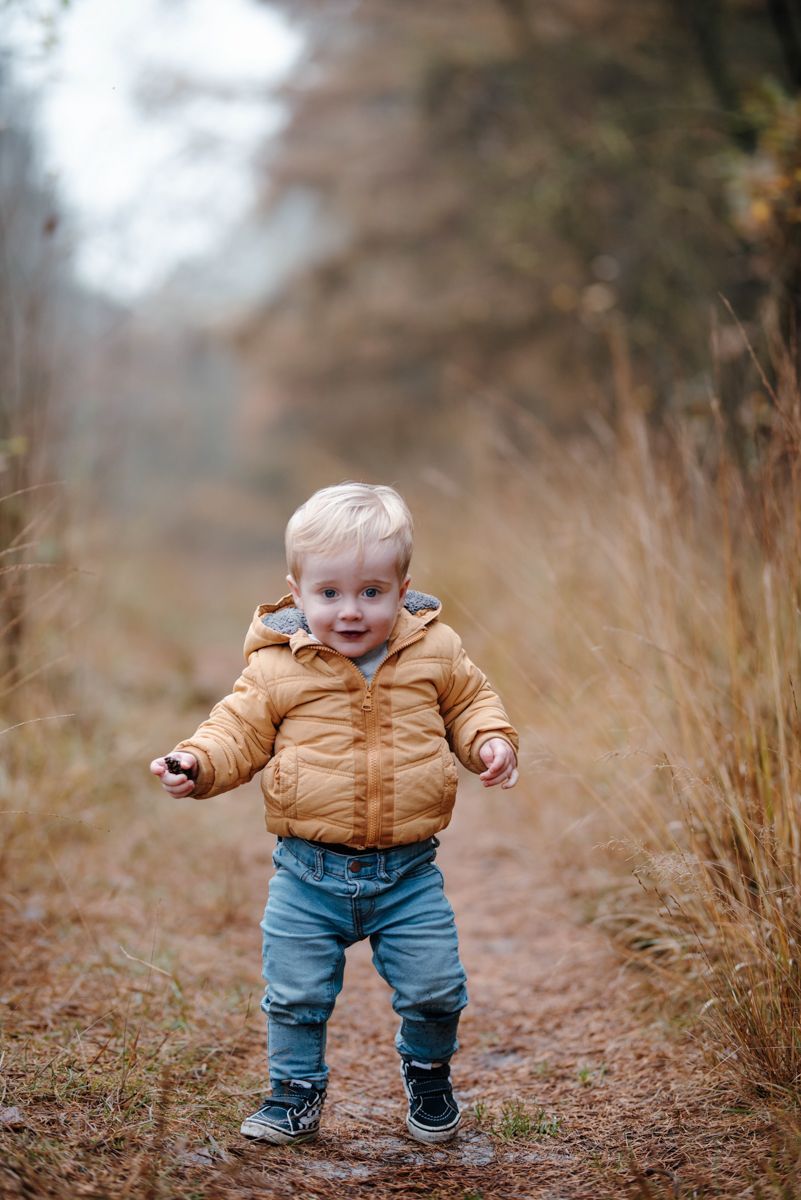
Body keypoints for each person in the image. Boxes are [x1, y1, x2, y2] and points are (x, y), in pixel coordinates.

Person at [150, 482, 519, 1147]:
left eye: (371, 592)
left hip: (408, 875)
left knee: (436, 988)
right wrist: (195, 764)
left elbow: (471, 704)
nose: (350, 612)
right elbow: (234, 733)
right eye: (329, 594)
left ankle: (428, 1072)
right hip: (306, 874)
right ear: (296, 591)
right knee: (294, 995)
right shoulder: (274, 668)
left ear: (403, 588)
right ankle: (294, 1094)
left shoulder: (434, 651)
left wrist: (490, 741)